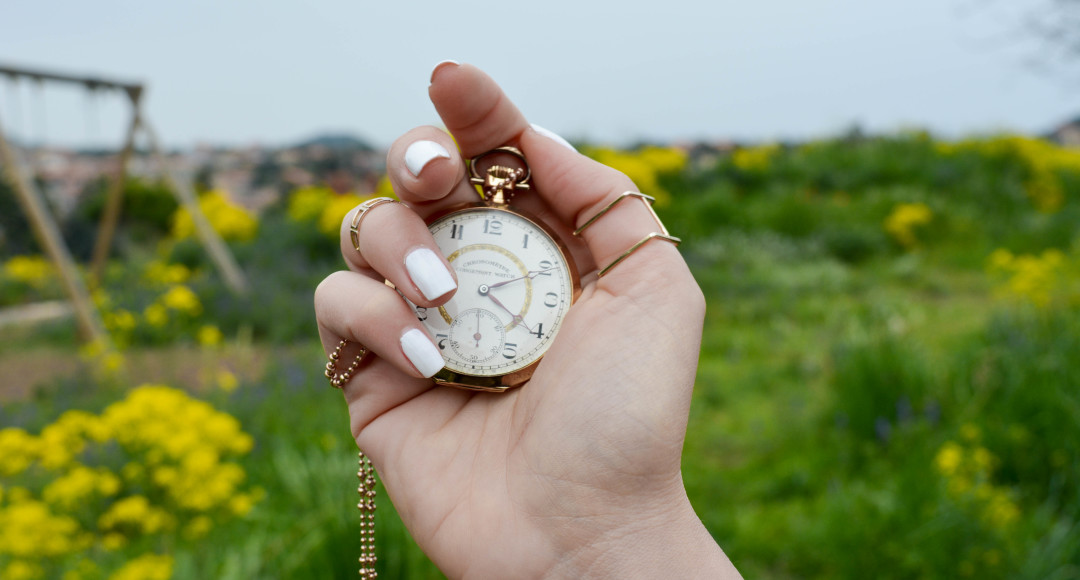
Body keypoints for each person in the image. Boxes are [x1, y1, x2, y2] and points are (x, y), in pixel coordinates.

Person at [314, 61, 742, 579]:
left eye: (496, 286)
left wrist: (612, 532)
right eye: (472, 282)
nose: (483, 289)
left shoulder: (575, 282)